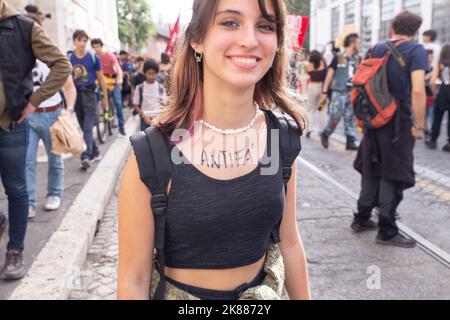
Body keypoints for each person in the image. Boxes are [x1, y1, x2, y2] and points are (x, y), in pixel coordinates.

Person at [118, 0, 310, 300]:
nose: (249, 40)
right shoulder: (151, 154)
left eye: (265, 26)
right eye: (230, 22)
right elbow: (134, 280)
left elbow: (289, 242)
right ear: (197, 39)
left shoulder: (282, 138)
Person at [0, 0, 71, 280]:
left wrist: (33, 103)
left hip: (11, 124)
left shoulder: (25, 27)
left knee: (16, 189)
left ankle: (15, 250)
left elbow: (61, 65)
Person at [352, 11, 428, 248]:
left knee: (371, 167)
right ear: (416, 30)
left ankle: (362, 218)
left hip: (373, 118)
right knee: (393, 173)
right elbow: (417, 90)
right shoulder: (416, 51)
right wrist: (419, 124)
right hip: (397, 122)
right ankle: (386, 229)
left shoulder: (375, 48)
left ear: (393, 27)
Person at [27, 60, 77, 219]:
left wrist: (69, 110)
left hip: (52, 114)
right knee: (26, 161)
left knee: (55, 157)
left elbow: (70, 87)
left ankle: (55, 193)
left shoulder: (53, 59)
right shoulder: (22, 57)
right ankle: (28, 202)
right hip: (28, 115)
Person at [69, 30, 109, 171]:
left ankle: (86, 156)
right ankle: (96, 152)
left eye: (85, 41)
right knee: (82, 125)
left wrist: (105, 98)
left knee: (87, 127)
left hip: (90, 95)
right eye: (80, 40)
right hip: (76, 97)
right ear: (74, 41)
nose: (82, 43)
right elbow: (66, 80)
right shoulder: (69, 58)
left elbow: (101, 79)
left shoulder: (93, 58)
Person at [319, 33, 361, 151]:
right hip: (338, 91)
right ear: (352, 43)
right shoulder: (339, 56)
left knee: (350, 116)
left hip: (352, 91)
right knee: (335, 116)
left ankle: (350, 140)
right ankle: (326, 134)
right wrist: (324, 91)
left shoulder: (357, 58)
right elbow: (330, 74)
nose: (359, 44)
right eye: (358, 42)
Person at [91, 38, 127, 136]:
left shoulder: (110, 56)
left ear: (101, 46)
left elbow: (119, 70)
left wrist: (120, 79)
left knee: (118, 103)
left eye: (98, 46)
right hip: (101, 82)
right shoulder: (94, 58)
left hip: (113, 81)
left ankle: (121, 126)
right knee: (97, 100)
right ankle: (99, 118)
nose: (96, 49)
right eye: (94, 47)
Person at [426, 44, 450, 152]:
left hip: (444, 91)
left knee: (437, 117)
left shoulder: (441, 64)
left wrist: (434, 93)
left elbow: (432, 81)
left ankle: (433, 140)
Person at [132, 59, 165, 131]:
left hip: (157, 120)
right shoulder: (140, 87)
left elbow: (164, 104)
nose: (151, 76)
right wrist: (143, 115)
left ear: (156, 73)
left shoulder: (161, 88)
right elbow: (135, 104)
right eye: (148, 73)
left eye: (153, 73)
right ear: (144, 73)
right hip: (144, 120)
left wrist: (159, 117)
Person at [305, 50, 327, 138]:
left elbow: (308, 71)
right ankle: (322, 130)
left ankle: (309, 129)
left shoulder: (310, 65)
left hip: (313, 87)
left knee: (311, 109)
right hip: (322, 88)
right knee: (322, 109)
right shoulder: (324, 63)